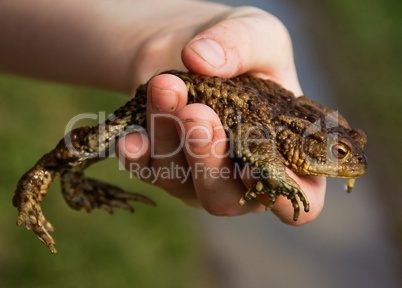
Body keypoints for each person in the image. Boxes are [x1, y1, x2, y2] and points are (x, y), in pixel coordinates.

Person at [0, 0, 325, 224]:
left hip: (210, 100)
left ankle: (72, 178)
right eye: (338, 151)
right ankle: (37, 180)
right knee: (97, 140)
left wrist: (156, 40)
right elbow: (258, 142)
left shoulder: (300, 122)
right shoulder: (284, 131)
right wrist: (277, 176)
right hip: (170, 93)